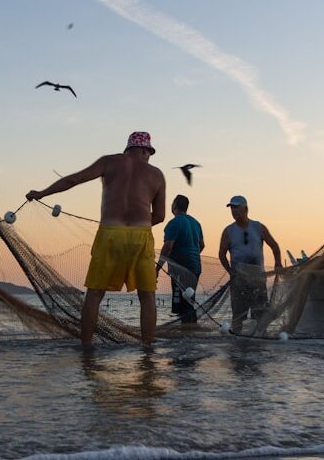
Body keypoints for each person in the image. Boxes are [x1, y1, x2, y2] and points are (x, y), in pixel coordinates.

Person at [26, 131, 166, 347]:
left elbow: (73, 180)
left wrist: (41, 193)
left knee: (94, 294)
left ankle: (86, 347)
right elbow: (160, 216)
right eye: (149, 153)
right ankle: (148, 350)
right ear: (145, 150)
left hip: (110, 233)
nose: (149, 157)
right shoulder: (157, 175)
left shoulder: (109, 162)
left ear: (127, 148)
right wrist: (139, 224)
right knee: (147, 296)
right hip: (141, 236)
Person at [218, 195, 282, 333]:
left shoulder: (258, 227)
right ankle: (237, 343)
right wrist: (230, 271)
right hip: (239, 280)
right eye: (232, 208)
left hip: (257, 278)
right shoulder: (228, 231)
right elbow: (222, 254)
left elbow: (275, 246)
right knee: (238, 315)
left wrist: (277, 263)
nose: (233, 211)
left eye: (236, 207)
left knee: (260, 314)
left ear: (245, 208)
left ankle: (259, 343)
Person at [159, 194, 204, 324]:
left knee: (183, 304)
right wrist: (192, 255)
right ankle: (191, 332)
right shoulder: (196, 223)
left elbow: (168, 247)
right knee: (189, 300)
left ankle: (186, 336)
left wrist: (157, 268)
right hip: (195, 268)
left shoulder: (174, 223)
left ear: (174, 206)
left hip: (180, 269)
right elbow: (202, 245)